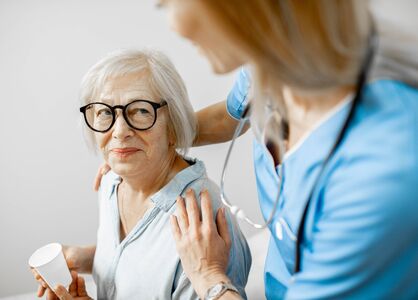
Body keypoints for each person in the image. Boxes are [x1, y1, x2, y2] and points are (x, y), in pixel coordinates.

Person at [58, 1, 418, 299]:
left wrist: (209, 276)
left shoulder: (380, 174)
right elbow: (232, 116)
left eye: (170, 2)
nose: (174, 25)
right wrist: (138, 143)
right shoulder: (267, 67)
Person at [31, 49, 251, 300]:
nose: (120, 131)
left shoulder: (200, 222)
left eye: (141, 111)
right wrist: (87, 258)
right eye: (104, 112)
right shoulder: (112, 182)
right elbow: (144, 263)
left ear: (174, 124)